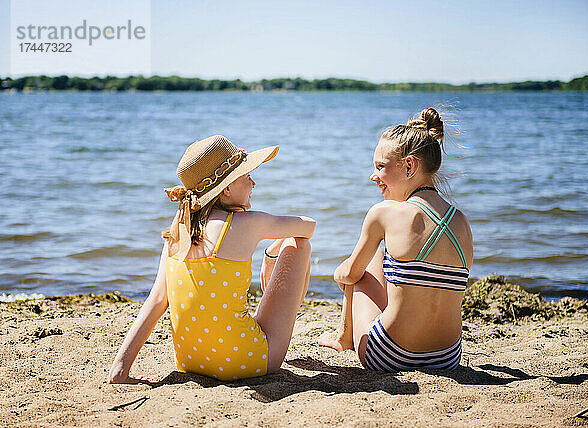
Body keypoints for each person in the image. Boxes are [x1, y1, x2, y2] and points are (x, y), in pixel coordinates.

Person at [109, 135, 315, 382]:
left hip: (189, 361)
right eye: (247, 176)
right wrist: (272, 253)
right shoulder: (247, 223)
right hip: (244, 360)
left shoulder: (178, 229)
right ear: (226, 189)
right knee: (298, 243)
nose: (254, 183)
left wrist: (121, 366)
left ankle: (121, 368)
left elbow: (157, 299)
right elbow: (308, 227)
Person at [318, 108, 473, 371]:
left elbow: (350, 275)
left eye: (380, 167)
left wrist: (339, 271)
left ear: (410, 166)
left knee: (359, 274)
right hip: (448, 358)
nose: (373, 176)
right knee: (383, 257)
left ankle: (343, 338)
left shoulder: (384, 213)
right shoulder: (461, 222)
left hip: (391, 355)